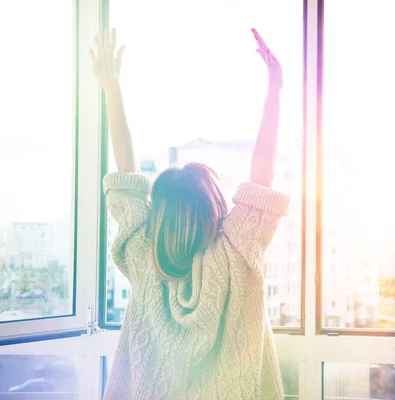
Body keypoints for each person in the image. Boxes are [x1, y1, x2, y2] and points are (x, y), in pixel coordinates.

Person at [90, 27, 289, 400]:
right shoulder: (237, 250)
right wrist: (274, 89)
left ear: (159, 212)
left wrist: (111, 89)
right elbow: (263, 169)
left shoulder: (143, 254)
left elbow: (126, 173)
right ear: (216, 204)